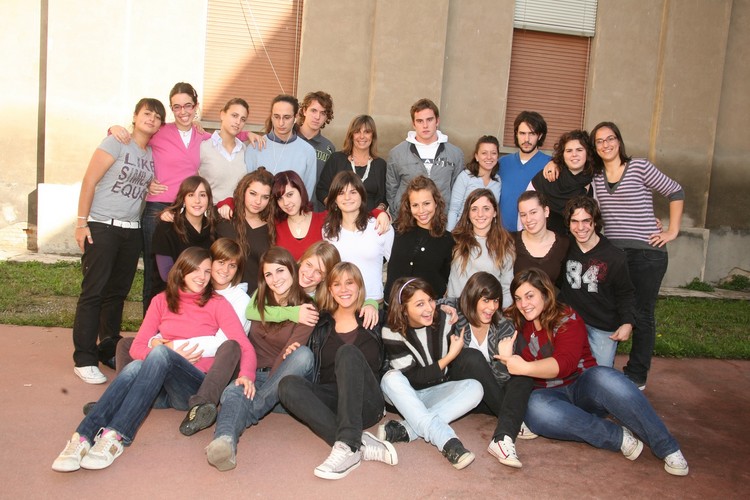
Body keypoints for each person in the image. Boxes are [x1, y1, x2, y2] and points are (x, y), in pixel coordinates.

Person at [52, 248, 257, 472]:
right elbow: (137, 347)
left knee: (158, 354)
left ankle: (115, 436)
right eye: (195, 270)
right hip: (158, 387)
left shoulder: (217, 303)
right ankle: (81, 438)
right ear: (182, 271)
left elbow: (242, 344)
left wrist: (247, 375)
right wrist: (169, 351)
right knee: (137, 363)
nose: (202, 276)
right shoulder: (161, 301)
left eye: (207, 271)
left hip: (190, 386)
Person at [496, 268, 689, 476]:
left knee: (605, 377)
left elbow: (565, 364)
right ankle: (616, 437)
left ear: (545, 293)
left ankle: (667, 447)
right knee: (535, 408)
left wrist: (524, 367)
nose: (524, 304)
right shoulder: (515, 321)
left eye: (530, 296)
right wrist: (504, 354)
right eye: (518, 298)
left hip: (583, 386)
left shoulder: (566, 317)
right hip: (549, 395)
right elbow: (484, 320)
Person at [109, 82, 261, 313]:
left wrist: (247, 133)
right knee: (156, 272)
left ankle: (186, 319)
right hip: (158, 207)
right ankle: (153, 322)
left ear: (195, 106)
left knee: (192, 268)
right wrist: (113, 130)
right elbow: (134, 140)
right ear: (171, 108)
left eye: (188, 105)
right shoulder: (160, 132)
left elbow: (227, 132)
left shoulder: (202, 137)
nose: (183, 111)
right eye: (177, 107)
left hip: (190, 209)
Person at [71, 97, 165, 384]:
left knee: (117, 294)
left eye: (157, 116)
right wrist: (81, 223)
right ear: (135, 116)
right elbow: (90, 180)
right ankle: (84, 358)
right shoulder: (116, 141)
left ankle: (107, 347)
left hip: (131, 230)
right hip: (103, 226)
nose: (151, 119)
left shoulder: (150, 154)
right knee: (94, 292)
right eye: (147, 113)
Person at [278, 262, 396, 480]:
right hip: (333, 403)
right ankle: (356, 443)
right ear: (330, 290)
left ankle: (347, 446)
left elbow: (408, 319)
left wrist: (445, 308)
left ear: (359, 287)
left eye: (350, 283)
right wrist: (296, 349)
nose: (344, 289)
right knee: (287, 385)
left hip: (367, 402)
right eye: (337, 284)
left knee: (347, 352)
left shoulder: (376, 318)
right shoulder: (320, 323)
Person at [588, 122, 684, 388]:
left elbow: (675, 191)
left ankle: (637, 374)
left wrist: (672, 230)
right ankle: (603, 366)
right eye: (599, 141)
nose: (606, 144)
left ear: (619, 141)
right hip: (614, 254)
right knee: (612, 310)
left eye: (610, 138)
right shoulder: (595, 177)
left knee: (641, 314)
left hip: (647, 254)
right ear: (594, 147)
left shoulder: (639, 167)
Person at [205, 246, 315, 471]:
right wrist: (249, 379)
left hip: (283, 382)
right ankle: (224, 442)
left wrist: (259, 392)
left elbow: (288, 356)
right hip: (255, 373)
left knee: (302, 355)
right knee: (234, 390)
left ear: (292, 270)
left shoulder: (307, 308)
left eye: (280, 271)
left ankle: (249, 410)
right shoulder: (259, 298)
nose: (275, 279)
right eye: (268, 274)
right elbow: (248, 327)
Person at [379, 277, 483, 470]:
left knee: (476, 388)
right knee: (390, 379)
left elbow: (463, 303)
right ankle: (446, 441)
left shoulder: (445, 319)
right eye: (419, 304)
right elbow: (414, 377)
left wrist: (445, 307)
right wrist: (449, 357)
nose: (429, 308)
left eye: (430, 300)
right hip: (405, 395)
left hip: (434, 392)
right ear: (403, 309)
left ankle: (409, 429)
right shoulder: (391, 331)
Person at [447, 272, 534, 468]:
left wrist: (505, 360)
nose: (492, 307)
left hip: (490, 399)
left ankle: (503, 438)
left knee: (524, 377)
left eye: (495, 301)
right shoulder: (458, 318)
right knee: (472, 357)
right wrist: (443, 307)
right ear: (472, 298)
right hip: (462, 391)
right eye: (485, 300)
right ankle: (512, 421)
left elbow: (502, 380)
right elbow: (429, 303)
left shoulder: (504, 326)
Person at [560, 196, 636, 367]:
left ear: (595, 222)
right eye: (574, 221)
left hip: (602, 326)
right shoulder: (564, 247)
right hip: (569, 321)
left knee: (600, 375)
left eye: (586, 221)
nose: (580, 227)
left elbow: (625, 293)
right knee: (566, 370)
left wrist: (627, 322)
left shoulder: (614, 256)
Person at [386, 98, 464, 218]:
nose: (425, 125)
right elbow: (391, 190)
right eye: (420, 121)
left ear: (437, 121)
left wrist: (452, 220)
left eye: (429, 119)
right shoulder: (397, 154)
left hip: (442, 221)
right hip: (407, 221)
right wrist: (399, 217)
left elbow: (458, 191)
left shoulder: (455, 154)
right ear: (413, 124)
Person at [323, 171, 394, 303]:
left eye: (353, 192)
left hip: (373, 303)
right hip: (340, 303)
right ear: (335, 199)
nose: (347, 197)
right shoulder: (327, 231)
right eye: (341, 193)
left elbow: (396, 266)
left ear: (362, 195)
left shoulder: (380, 226)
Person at [385, 175, 454, 301]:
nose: (421, 210)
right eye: (415, 205)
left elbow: (447, 277)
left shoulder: (448, 240)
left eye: (426, 203)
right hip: (394, 307)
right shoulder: (396, 231)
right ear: (409, 206)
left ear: (436, 203)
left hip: (428, 308)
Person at [151, 176, 216, 298]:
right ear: (183, 200)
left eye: (202, 195)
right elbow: (166, 274)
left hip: (204, 295)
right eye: (191, 195)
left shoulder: (213, 229)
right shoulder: (166, 228)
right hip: (171, 296)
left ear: (209, 200)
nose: (197, 200)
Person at [447, 189, 514, 306]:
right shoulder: (455, 240)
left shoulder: (504, 245)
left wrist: (496, 311)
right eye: (474, 209)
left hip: (487, 312)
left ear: (495, 212)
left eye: (486, 208)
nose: (480, 214)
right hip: (455, 309)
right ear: (468, 213)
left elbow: (507, 289)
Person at [245, 94, 317, 197]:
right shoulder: (254, 147)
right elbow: (247, 189)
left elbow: (307, 193)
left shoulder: (308, 151)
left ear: (295, 117)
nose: (281, 123)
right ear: (271, 116)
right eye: (276, 117)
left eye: (286, 117)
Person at [216, 169, 275, 294]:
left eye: (265, 197)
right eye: (253, 193)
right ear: (243, 191)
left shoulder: (272, 228)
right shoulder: (225, 217)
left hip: (256, 297)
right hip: (220, 294)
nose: (258, 201)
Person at [316, 114, 387, 212]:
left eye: (367, 132)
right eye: (357, 132)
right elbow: (321, 190)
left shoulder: (380, 165)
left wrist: (379, 211)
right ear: (351, 135)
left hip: (371, 219)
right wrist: (335, 208)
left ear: (373, 135)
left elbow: (384, 197)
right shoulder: (336, 159)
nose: (362, 136)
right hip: (340, 217)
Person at [528, 129, 593, 233]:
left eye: (579, 150)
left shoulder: (595, 181)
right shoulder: (545, 177)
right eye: (569, 151)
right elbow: (525, 212)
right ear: (562, 154)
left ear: (588, 153)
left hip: (579, 241)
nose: (574, 154)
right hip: (545, 240)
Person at [499, 111, 550, 231]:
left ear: (540, 136)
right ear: (516, 134)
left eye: (532, 134)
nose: (526, 139)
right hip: (501, 234)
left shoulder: (550, 165)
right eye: (522, 133)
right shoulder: (502, 163)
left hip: (533, 235)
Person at [198, 98, 250, 211]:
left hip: (238, 215)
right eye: (234, 115)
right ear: (222, 114)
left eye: (243, 119)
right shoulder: (203, 147)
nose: (238, 122)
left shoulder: (246, 151)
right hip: (210, 214)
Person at [447, 135, 502, 231]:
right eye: (484, 153)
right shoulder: (465, 176)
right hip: (463, 232)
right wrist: (449, 234)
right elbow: (454, 210)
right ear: (476, 156)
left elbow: (494, 211)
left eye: (493, 153)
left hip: (486, 233)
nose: (489, 157)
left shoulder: (497, 181)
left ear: (497, 156)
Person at [513, 191, 569, 284]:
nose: (528, 219)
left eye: (533, 212)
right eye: (523, 215)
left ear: (546, 211)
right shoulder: (511, 241)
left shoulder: (564, 244)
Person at [296, 91, 335, 208]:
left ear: (327, 117)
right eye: (313, 110)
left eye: (323, 113)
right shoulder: (289, 139)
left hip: (315, 210)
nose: (317, 117)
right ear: (304, 111)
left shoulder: (329, 148)